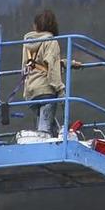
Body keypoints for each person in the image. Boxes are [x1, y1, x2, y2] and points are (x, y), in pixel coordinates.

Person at [21, 8, 64, 137]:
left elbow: (27, 66)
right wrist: (60, 90)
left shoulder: (27, 43)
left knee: (47, 126)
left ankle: (56, 135)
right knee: (44, 132)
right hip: (46, 91)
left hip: (30, 92)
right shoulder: (51, 42)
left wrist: (65, 62)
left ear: (36, 26)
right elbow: (52, 68)